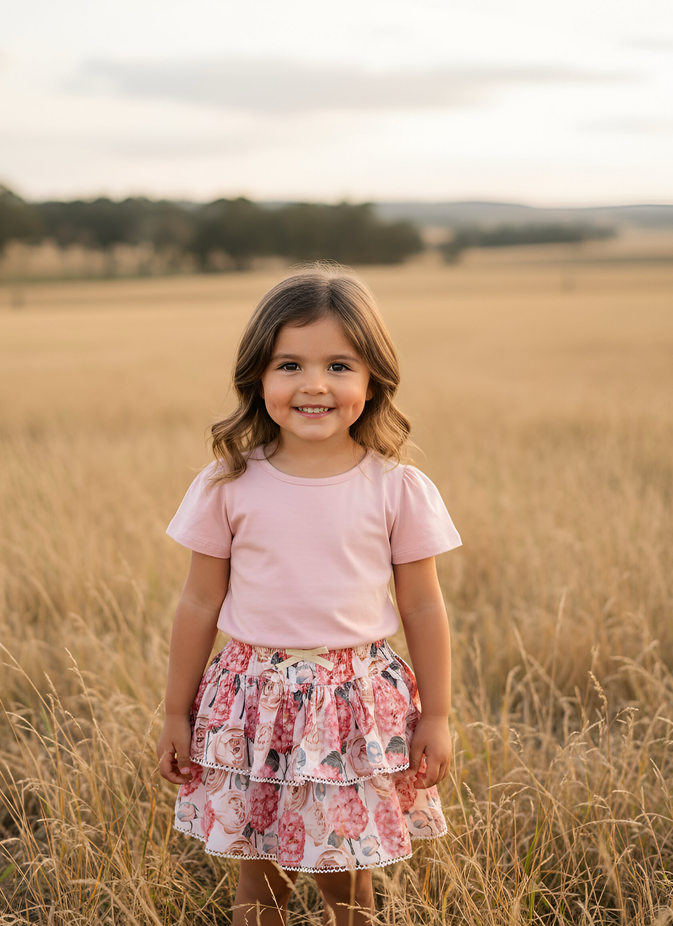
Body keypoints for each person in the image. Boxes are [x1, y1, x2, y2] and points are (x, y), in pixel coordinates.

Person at [157, 265, 461, 926]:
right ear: (257, 378)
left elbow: (422, 607)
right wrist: (175, 712)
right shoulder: (227, 484)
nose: (314, 385)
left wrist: (436, 714)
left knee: (346, 884)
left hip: (353, 704)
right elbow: (198, 603)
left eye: (339, 365)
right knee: (258, 884)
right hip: (252, 701)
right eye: (289, 364)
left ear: (374, 376)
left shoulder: (397, 488)